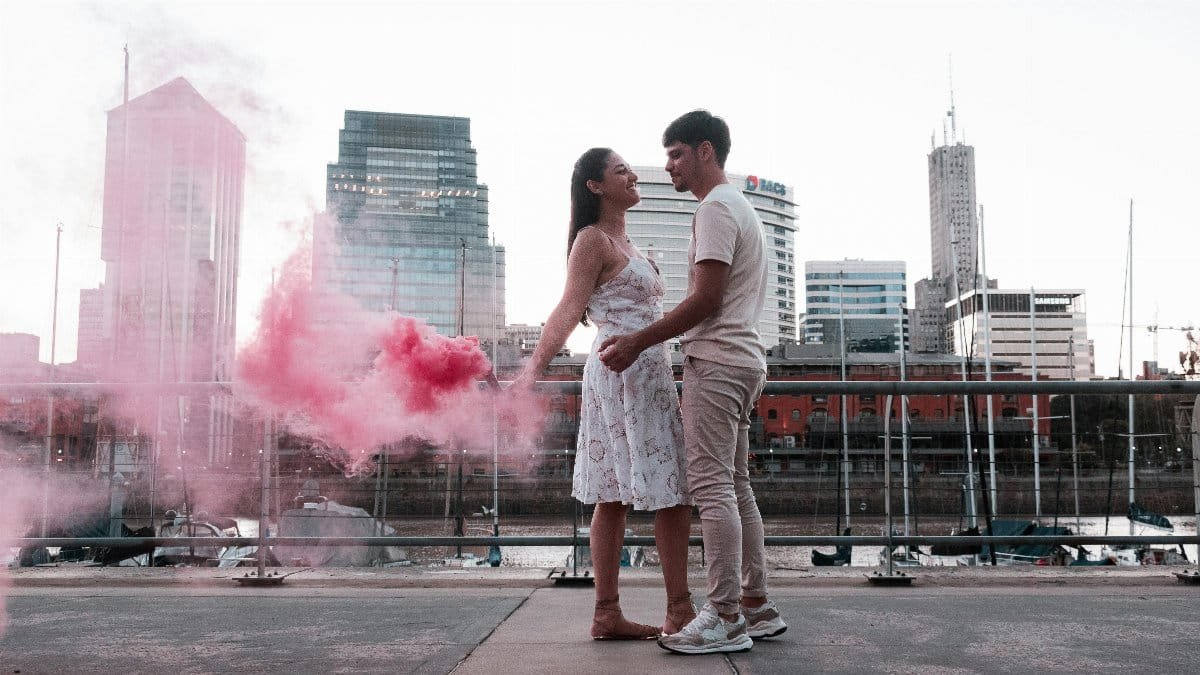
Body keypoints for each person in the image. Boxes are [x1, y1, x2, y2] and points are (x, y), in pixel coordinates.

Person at [599, 110, 787, 655]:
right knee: (736, 484)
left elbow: (705, 299)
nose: (668, 166)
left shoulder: (716, 209)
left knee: (710, 488)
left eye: (677, 154)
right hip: (745, 359)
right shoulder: (739, 208)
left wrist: (637, 340)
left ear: (705, 152)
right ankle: (757, 605)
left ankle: (724, 615)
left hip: (718, 361)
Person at [511, 147, 696, 640]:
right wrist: (531, 371)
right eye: (621, 171)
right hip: (621, 374)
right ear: (595, 186)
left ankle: (610, 613)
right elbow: (568, 310)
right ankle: (673, 610)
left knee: (624, 493)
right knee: (664, 494)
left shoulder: (629, 243)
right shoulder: (592, 241)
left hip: (647, 373)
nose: (633, 175)